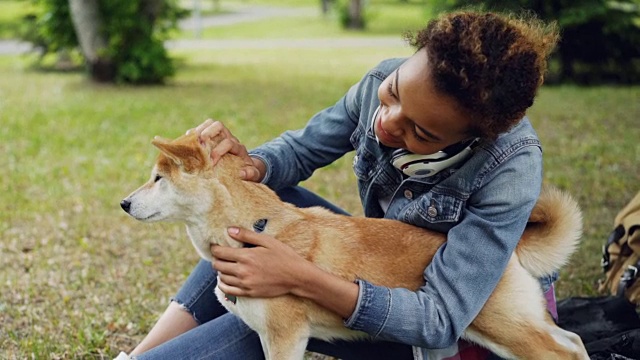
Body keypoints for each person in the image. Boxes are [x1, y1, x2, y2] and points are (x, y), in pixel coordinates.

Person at [121, 9, 560, 360]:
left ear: (475, 136)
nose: (387, 123)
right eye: (394, 93)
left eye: (420, 134)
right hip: (374, 257)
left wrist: (302, 277)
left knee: (267, 304)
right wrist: (248, 166)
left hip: (426, 318)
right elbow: (299, 152)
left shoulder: (511, 167)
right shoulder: (379, 82)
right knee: (259, 217)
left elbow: (440, 318)